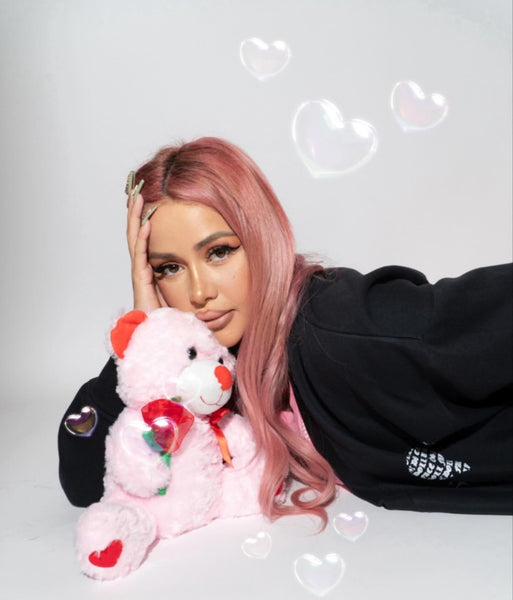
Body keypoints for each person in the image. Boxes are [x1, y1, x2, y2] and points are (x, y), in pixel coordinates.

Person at [58, 137, 513, 525]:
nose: (198, 292)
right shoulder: (207, 371)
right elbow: (86, 481)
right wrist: (147, 333)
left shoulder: (338, 326)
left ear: (261, 239)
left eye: (219, 252)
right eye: (169, 268)